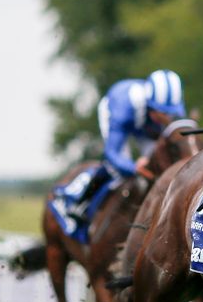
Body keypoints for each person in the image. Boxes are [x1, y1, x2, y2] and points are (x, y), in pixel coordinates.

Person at [67, 69, 187, 222]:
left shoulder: (169, 107)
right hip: (115, 110)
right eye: (161, 112)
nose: (166, 117)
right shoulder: (123, 109)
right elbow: (112, 153)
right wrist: (134, 167)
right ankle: (82, 200)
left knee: (159, 164)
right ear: (150, 105)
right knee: (119, 170)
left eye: (169, 113)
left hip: (144, 120)